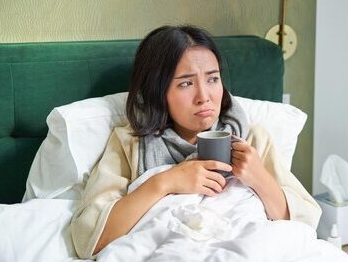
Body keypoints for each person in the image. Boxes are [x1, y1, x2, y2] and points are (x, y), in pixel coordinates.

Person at [70, 25, 321, 259]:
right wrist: (166, 182)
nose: (204, 97)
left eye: (212, 79)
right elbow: (89, 238)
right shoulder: (130, 144)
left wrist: (259, 178)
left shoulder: (251, 138)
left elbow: (304, 224)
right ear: (157, 90)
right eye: (186, 83)